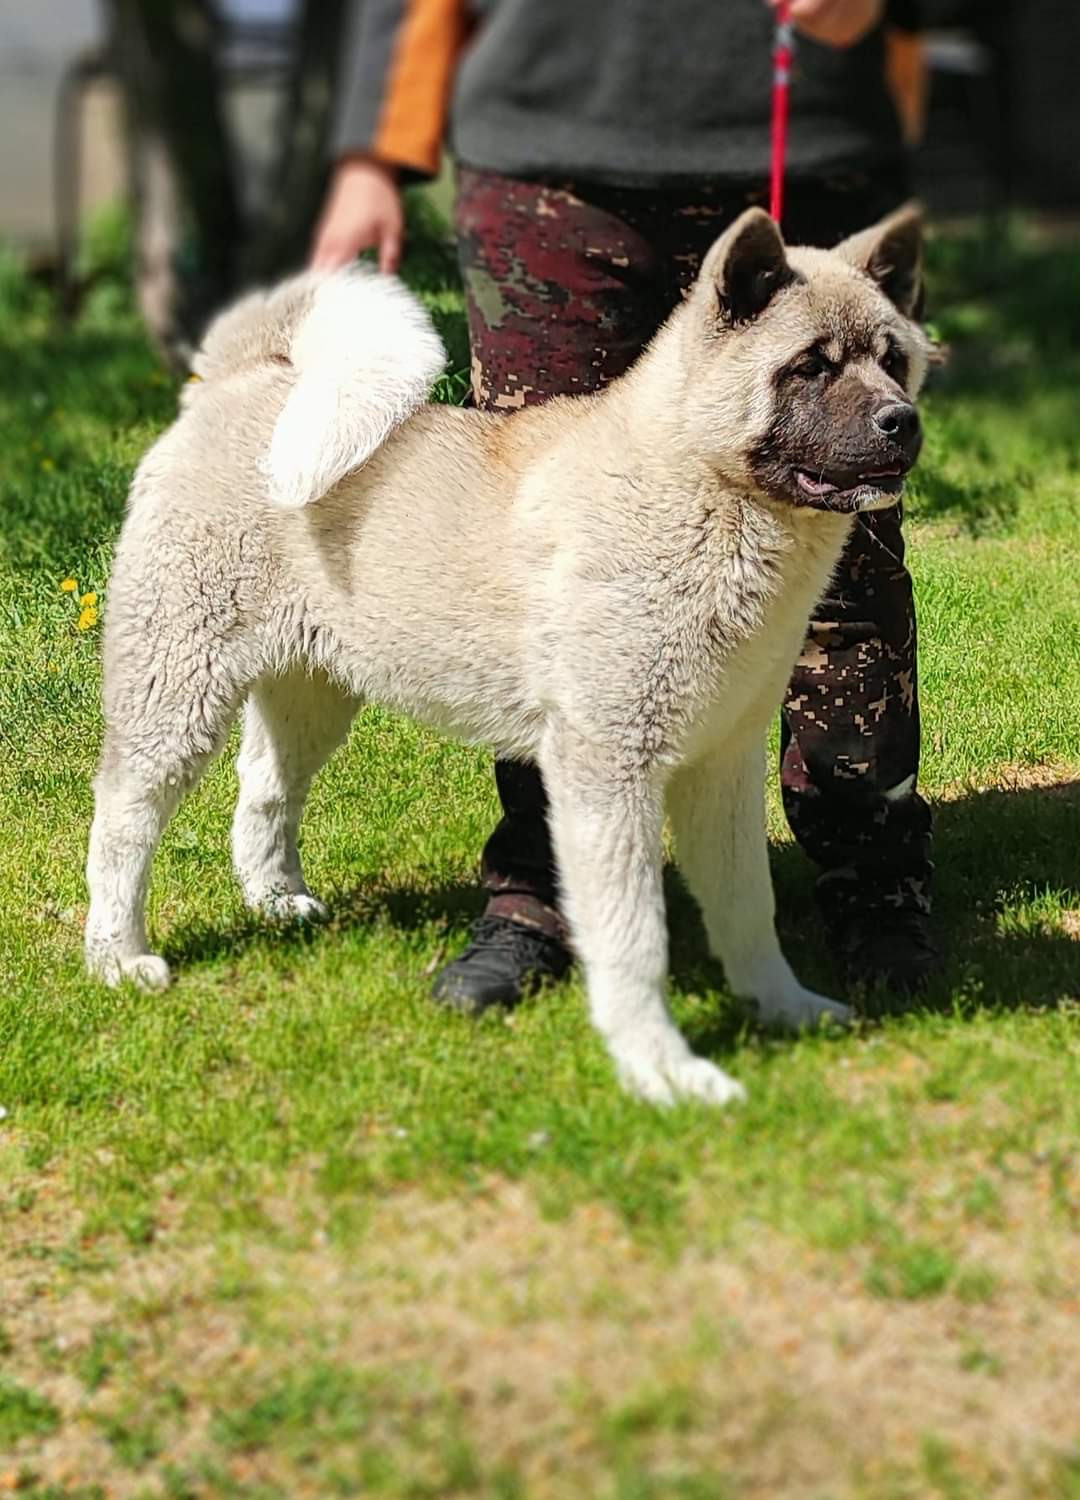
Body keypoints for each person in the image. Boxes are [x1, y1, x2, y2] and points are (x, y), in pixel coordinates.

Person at [311, 0, 939, 1010]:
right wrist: (372, 152)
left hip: (806, 133)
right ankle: (541, 894)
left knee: (843, 553)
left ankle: (875, 879)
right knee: (542, 560)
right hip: (553, 152)